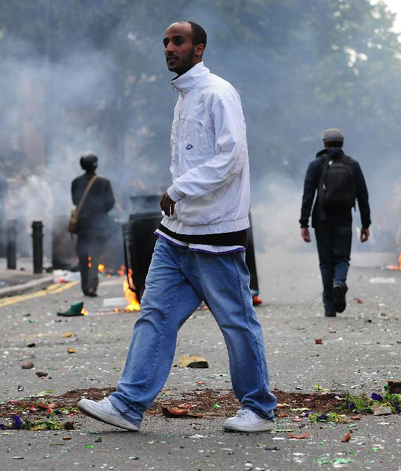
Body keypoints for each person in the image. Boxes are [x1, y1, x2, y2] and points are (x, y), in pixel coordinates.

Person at [77, 20, 277, 433]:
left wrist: (180, 188)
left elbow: (231, 157)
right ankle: (128, 405)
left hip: (215, 233)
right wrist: (178, 199)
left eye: (178, 41)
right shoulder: (184, 97)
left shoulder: (218, 93)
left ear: (199, 49)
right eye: (166, 41)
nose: (169, 47)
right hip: (176, 233)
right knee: (154, 315)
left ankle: (258, 408)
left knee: (236, 321)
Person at [300, 128, 371, 317]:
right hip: (344, 219)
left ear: (324, 144)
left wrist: (303, 223)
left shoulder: (316, 165)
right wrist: (366, 223)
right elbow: (363, 195)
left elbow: (308, 195)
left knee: (325, 262)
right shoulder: (352, 165)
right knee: (342, 258)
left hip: (321, 219)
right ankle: (339, 282)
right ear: (342, 143)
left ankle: (329, 306)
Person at [71, 153, 115, 297]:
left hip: (83, 224)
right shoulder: (104, 182)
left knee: (83, 256)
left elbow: (75, 201)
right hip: (99, 224)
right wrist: (100, 213)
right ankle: (92, 286)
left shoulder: (76, 182)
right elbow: (110, 202)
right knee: (95, 256)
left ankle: (85, 286)